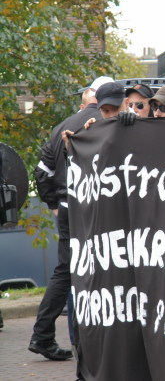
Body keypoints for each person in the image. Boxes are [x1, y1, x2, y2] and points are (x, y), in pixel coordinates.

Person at [29, 77, 108, 361]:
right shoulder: (108, 123)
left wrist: (54, 203)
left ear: (87, 98)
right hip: (97, 209)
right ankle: (88, 339)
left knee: (66, 270)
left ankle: (43, 335)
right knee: (101, 270)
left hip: (66, 207)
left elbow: (42, 171)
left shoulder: (61, 126)